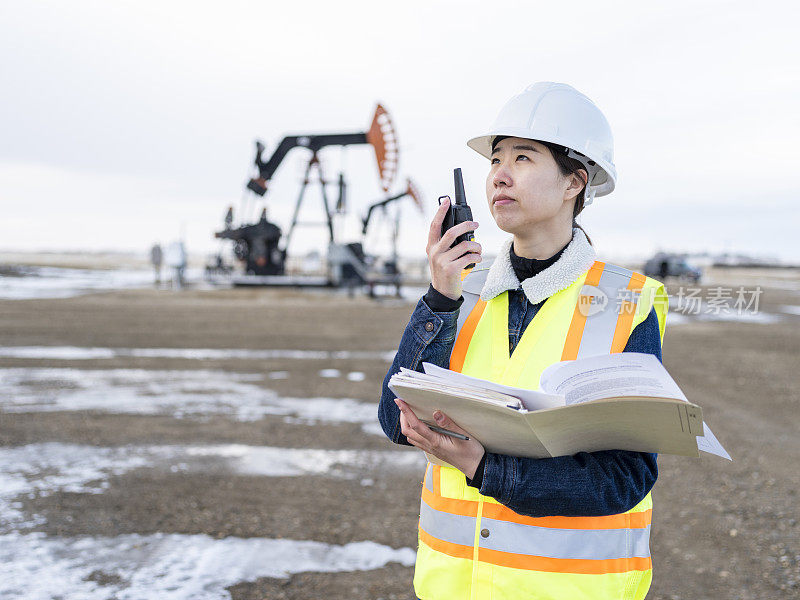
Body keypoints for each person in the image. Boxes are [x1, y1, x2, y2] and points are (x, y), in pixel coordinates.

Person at [378, 82, 668, 600]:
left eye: (524, 157)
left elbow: (624, 477)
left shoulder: (625, 302)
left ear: (573, 182)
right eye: (496, 160)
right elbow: (395, 421)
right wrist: (438, 297)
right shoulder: (461, 289)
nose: (500, 175)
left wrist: (486, 469)